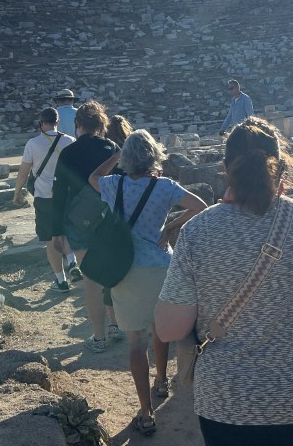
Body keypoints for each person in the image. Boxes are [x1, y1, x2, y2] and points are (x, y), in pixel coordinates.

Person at [155, 116, 293, 446]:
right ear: (281, 167)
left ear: (226, 169)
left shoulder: (198, 231)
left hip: (228, 402)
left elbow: (168, 329)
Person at [88, 129, 207, 436]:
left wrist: (116, 154)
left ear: (126, 159)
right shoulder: (165, 186)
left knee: (136, 344)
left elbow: (92, 177)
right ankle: (162, 381)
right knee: (160, 330)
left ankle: (145, 411)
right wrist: (170, 226)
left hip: (124, 269)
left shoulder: (112, 184)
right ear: (155, 155)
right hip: (160, 267)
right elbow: (200, 206)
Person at [51, 101, 121, 351]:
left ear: (78, 124)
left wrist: (56, 230)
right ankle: (115, 324)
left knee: (91, 278)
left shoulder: (69, 152)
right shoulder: (112, 148)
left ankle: (99, 338)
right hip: (108, 217)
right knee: (110, 273)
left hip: (78, 220)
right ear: (101, 123)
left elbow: (59, 193)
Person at [12, 108, 78, 292]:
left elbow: (23, 172)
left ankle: (61, 281)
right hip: (66, 194)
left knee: (51, 238)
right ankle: (72, 261)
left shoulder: (33, 143)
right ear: (57, 122)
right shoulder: (70, 141)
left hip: (44, 196)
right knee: (66, 231)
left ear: (41, 123)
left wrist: (17, 193)